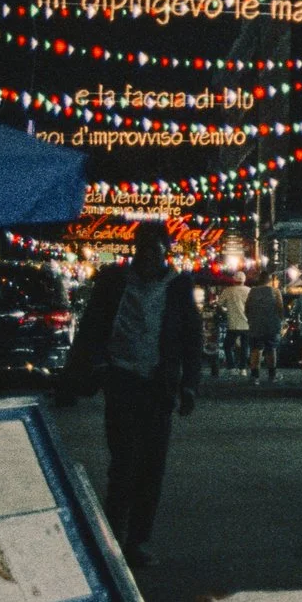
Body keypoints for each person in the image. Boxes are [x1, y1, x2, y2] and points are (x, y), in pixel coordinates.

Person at [66, 222, 202, 567]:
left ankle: (139, 541)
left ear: (164, 252)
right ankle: (113, 537)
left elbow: (191, 338)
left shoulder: (178, 286)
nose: (148, 257)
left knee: (152, 468)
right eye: (142, 249)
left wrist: (189, 386)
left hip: (159, 386)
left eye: (154, 250)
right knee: (123, 463)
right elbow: (92, 328)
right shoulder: (114, 283)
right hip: (122, 380)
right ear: (134, 251)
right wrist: (85, 372)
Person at [245, 274, 285, 382]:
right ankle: (272, 375)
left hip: (256, 325)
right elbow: (280, 308)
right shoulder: (275, 292)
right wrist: (280, 321)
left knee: (255, 350)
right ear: (270, 281)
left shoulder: (252, 291)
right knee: (271, 349)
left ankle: (255, 376)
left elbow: (247, 307)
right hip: (271, 325)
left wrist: (250, 319)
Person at [218, 278, 252, 371]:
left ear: (233, 281)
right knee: (245, 346)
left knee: (227, 345)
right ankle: (243, 368)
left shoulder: (228, 290)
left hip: (233, 323)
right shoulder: (249, 290)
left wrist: (225, 310)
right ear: (244, 280)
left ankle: (231, 366)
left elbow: (220, 304)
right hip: (246, 323)